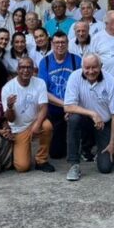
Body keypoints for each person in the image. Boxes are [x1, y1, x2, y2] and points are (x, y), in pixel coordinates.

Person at [63, 53, 114, 181]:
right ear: (82, 67)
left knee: (105, 168)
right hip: (84, 121)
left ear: (101, 66)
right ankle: (74, 165)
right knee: (73, 119)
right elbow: (68, 107)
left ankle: (100, 153)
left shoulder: (111, 81)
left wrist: (112, 143)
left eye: (94, 67)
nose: (90, 71)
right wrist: (93, 114)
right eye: (87, 68)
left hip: (104, 124)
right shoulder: (74, 76)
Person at [2, 56, 55, 173]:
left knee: (47, 126)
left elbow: (44, 107)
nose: (25, 70)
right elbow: (11, 119)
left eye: (29, 67)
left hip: (35, 122)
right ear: (17, 69)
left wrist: (37, 124)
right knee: (22, 167)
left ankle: (41, 160)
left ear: (33, 70)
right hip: (19, 128)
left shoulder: (40, 83)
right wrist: (10, 107)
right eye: (22, 67)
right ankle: (19, 150)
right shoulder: (8, 88)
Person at [38, 31, 82, 160]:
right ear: (52, 44)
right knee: (56, 153)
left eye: (63, 42)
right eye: (57, 42)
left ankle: (84, 146)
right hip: (55, 108)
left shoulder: (76, 60)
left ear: (68, 43)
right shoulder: (44, 62)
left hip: (74, 106)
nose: (60, 45)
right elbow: (43, 92)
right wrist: (65, 105)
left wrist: (72, 106)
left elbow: (82, 87)